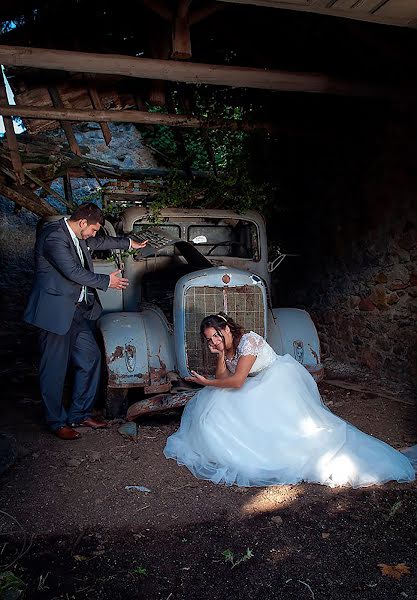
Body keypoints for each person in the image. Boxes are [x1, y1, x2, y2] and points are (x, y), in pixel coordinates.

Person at [164, 313, 415, 488]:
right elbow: (223, 377)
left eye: (217, 335)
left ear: (228, 328)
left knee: (224, 397)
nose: (214, 341)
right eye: (209, 339)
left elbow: (236, 381)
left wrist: (206, 383)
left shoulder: (249, 341)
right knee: (216, 406)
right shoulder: (223, 347)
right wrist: (219, 354)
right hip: (254, 385)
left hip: (276, 382)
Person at [24, 202, 147, 440]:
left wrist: (128, 243)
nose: (93, 235)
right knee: (54, 370)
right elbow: (72, 271)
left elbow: (100, 242)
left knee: (91, 358)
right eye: (92, 230)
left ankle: (79, 414)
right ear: (82, 223)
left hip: (77, 313)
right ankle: (56, 421)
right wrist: (106, 281)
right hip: (55, 314)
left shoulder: (78, 236)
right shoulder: (54, 237)